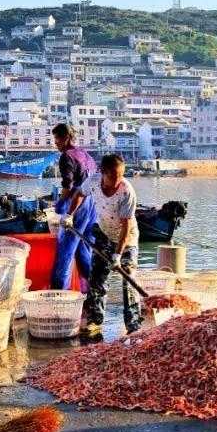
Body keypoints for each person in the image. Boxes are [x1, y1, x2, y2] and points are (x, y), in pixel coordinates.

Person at [64, 153, 140, 337]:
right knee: (97, 279)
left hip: (126, 240)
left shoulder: (127, 192)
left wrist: (118, 256)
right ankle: (95, 320)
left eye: (121, 175)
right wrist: (69, 215)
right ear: (103, 173)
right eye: (113, 176)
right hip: (104, 234)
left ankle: (133, 325)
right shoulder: (93, 181)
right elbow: (79, 194)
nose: (117, 180)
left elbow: (126, 226)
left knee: (128, 281)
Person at [50, 123, 97, 290]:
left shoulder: (67, 156)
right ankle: (91, 293)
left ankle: (58, 293)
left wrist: (60, 205)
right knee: (85, 250)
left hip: (77, 204)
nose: (55, 143)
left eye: (57, 139)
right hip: (92, 205)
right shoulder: (85, 154)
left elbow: (68, 186)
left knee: (66, 251)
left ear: (66, 138)